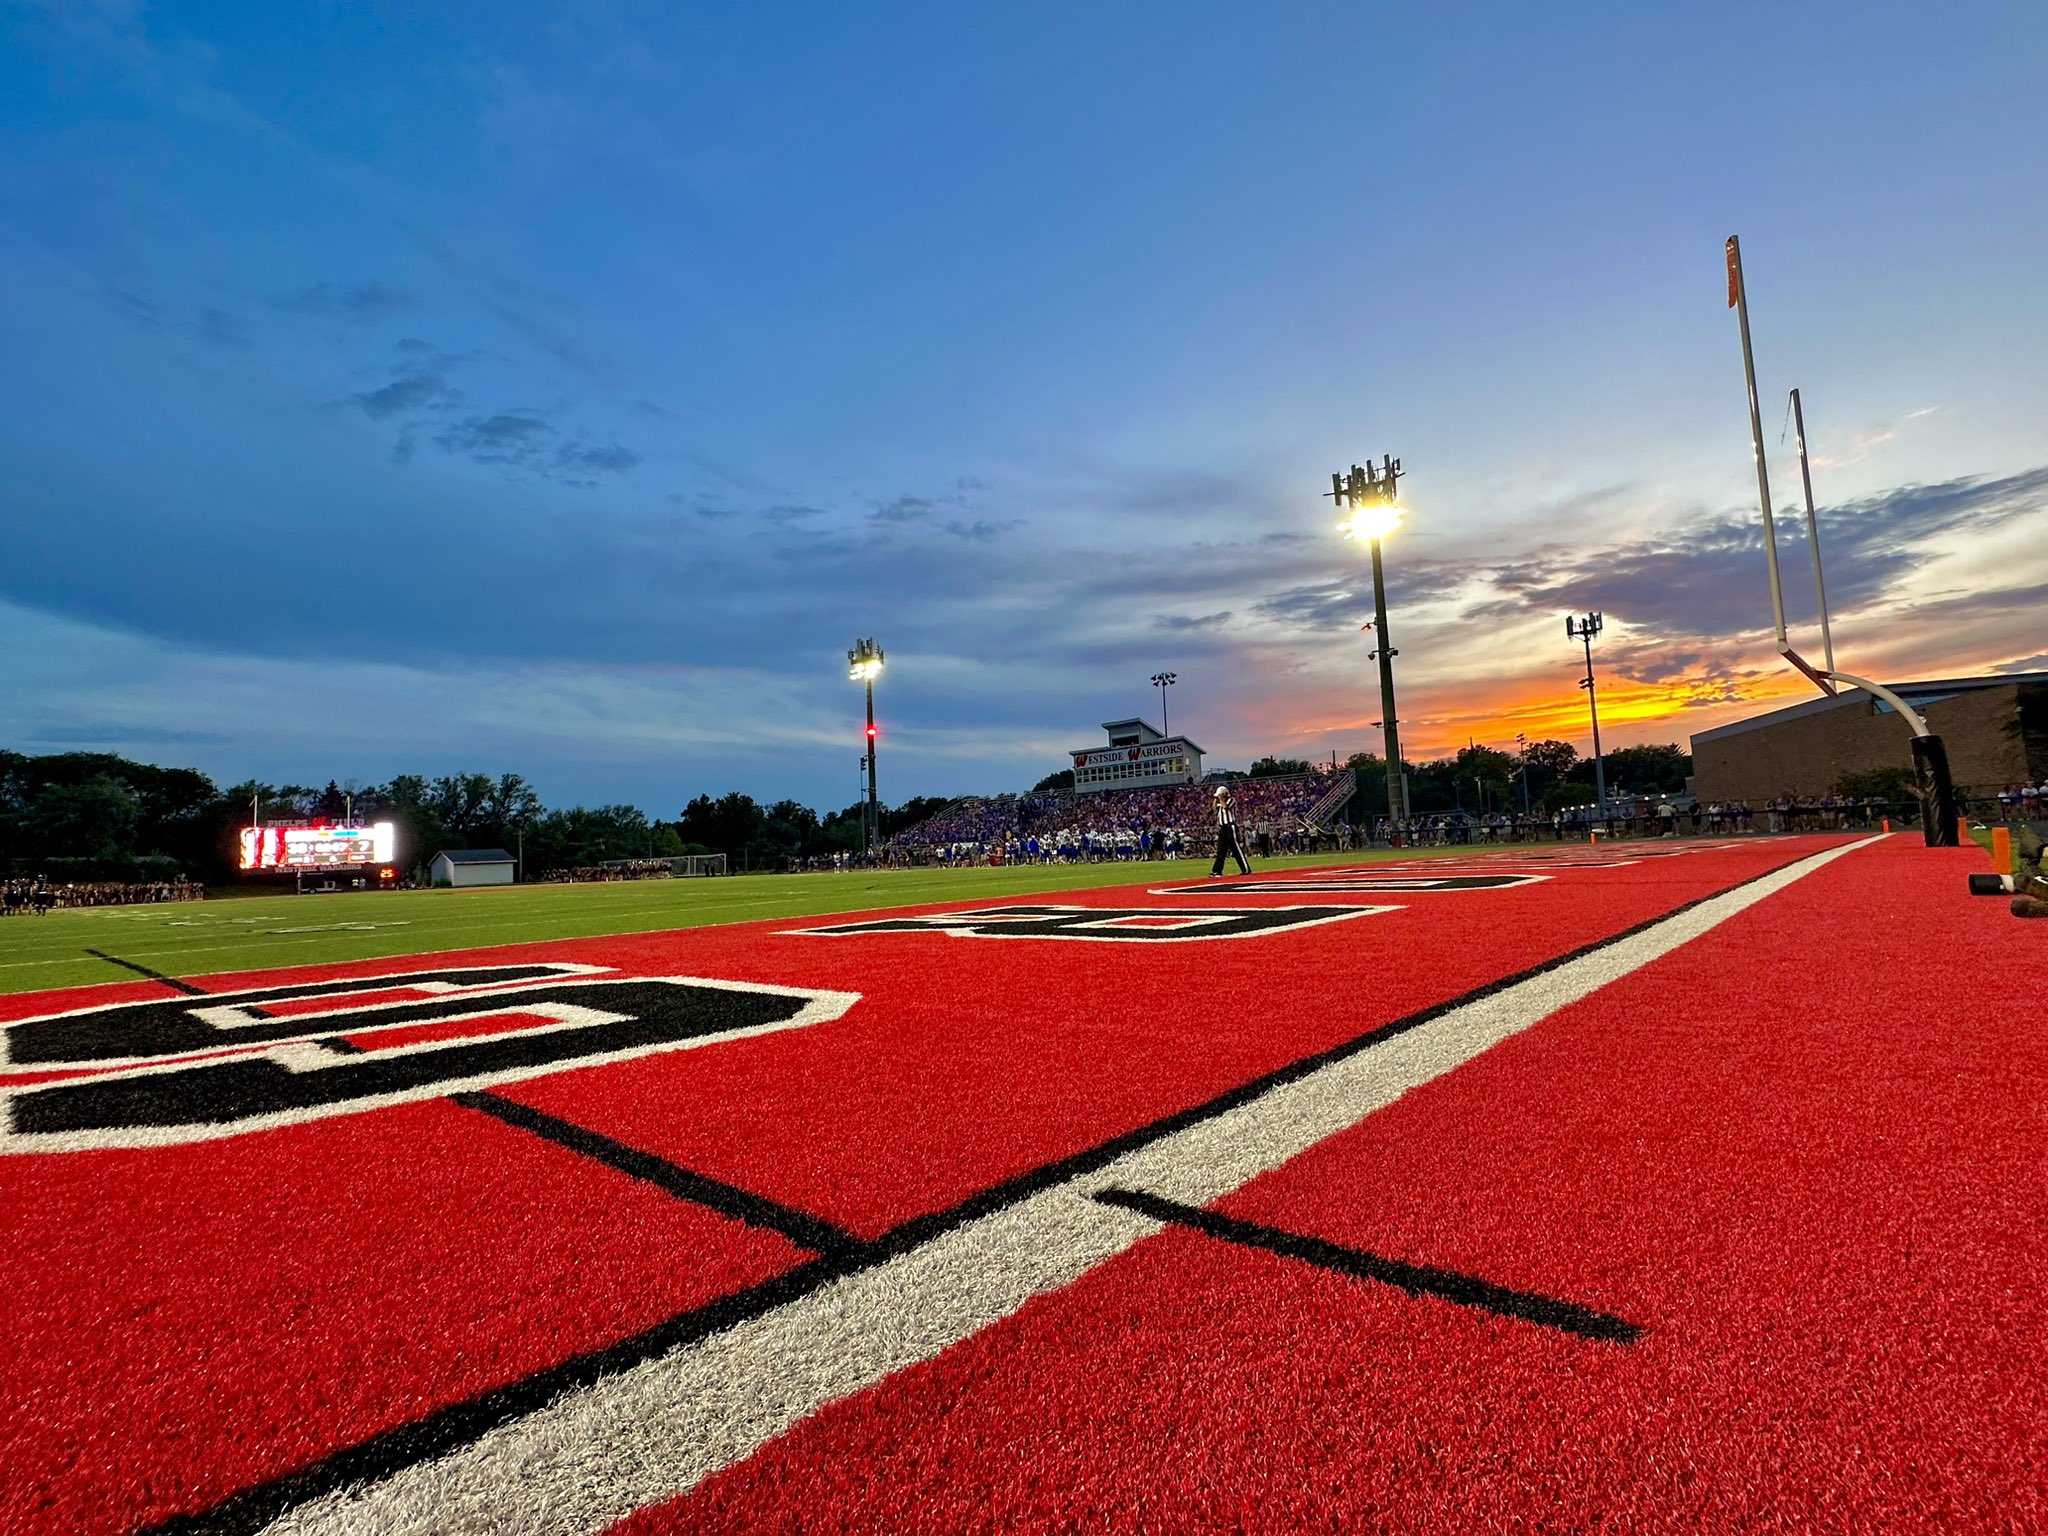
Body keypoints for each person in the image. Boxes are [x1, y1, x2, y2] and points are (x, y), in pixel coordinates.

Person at [1210, 785, 1252, 877]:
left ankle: (1246, 869)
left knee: (1236, 849)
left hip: (1230, 827)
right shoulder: (1219, 803)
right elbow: (1214, 809)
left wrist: (1220, 799)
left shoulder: (1231, 800)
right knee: (1221, 850)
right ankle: (1217, 871)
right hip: (1222, 828)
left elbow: (1226, 807)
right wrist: (1215, 799)